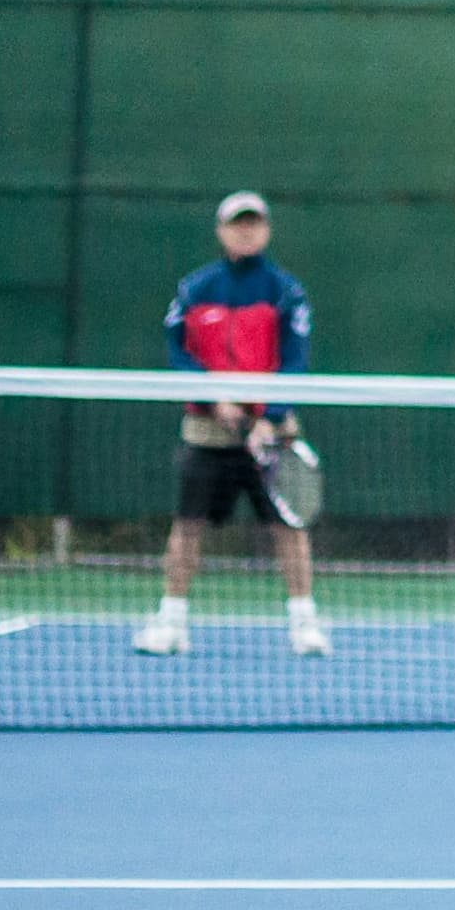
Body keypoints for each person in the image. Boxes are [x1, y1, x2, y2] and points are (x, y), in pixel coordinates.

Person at [132, 191, 324, 658]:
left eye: (254, 222)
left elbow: (295, 361)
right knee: (187, 526)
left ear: (266, 230)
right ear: (221, 230)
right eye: (237, 223)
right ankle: (171, 622)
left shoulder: (285, 291)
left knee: (289, 528)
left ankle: (305, 625)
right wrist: (213, 398)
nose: (246, 230)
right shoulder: (195, 289)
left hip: (270, 431)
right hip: (206, 429)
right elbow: (179, 352)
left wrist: (270, 417)